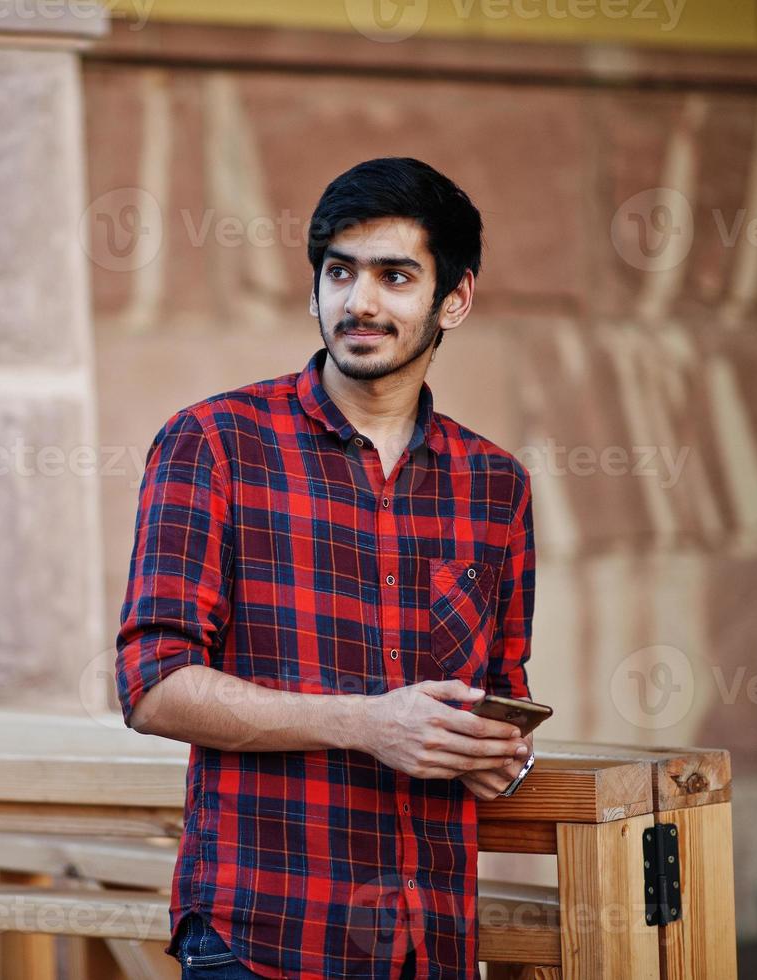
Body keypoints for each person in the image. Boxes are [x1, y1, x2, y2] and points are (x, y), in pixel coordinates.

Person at [115, 157, 537, 979]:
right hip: (265, 934)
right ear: (313, 289)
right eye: (338, 272)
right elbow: (149, 684)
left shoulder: (495, 485)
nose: (360, 302)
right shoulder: (214, 445)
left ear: (454, 298)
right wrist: (369, 723)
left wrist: (503, 760)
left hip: (431, 940)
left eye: (394, 275)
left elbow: (501, 696)